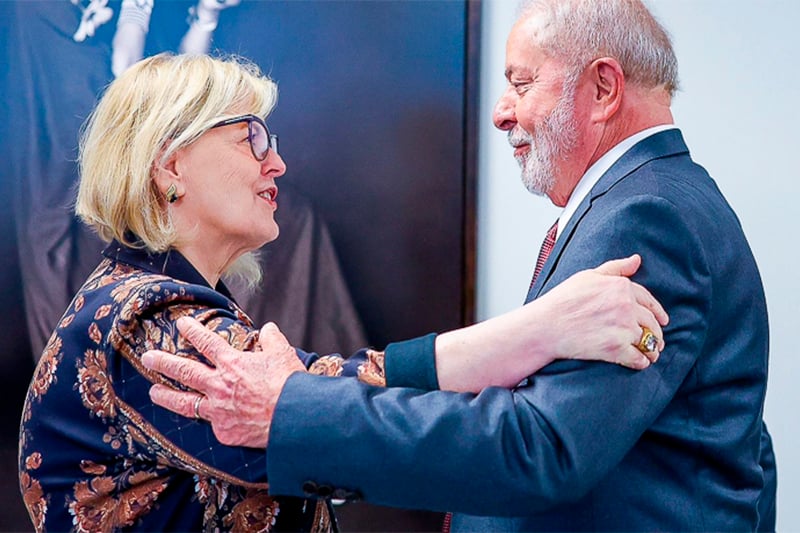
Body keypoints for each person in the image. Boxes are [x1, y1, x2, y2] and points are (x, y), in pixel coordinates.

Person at [143, 0, 777, 531]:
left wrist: (294, 411)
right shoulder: (651, 202)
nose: (502, 110)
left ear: (604, 89)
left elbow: (541, 447)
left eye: (522, 83)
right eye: (249, 139)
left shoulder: (647, 218)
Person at [17, 51, 666, 533]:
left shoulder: (153, 303)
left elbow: (319, 391)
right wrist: (543, 328)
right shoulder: (142, 319)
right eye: (252, 136)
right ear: (170, 163)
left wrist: (542, 328)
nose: (277, 162)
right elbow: (316, 401)